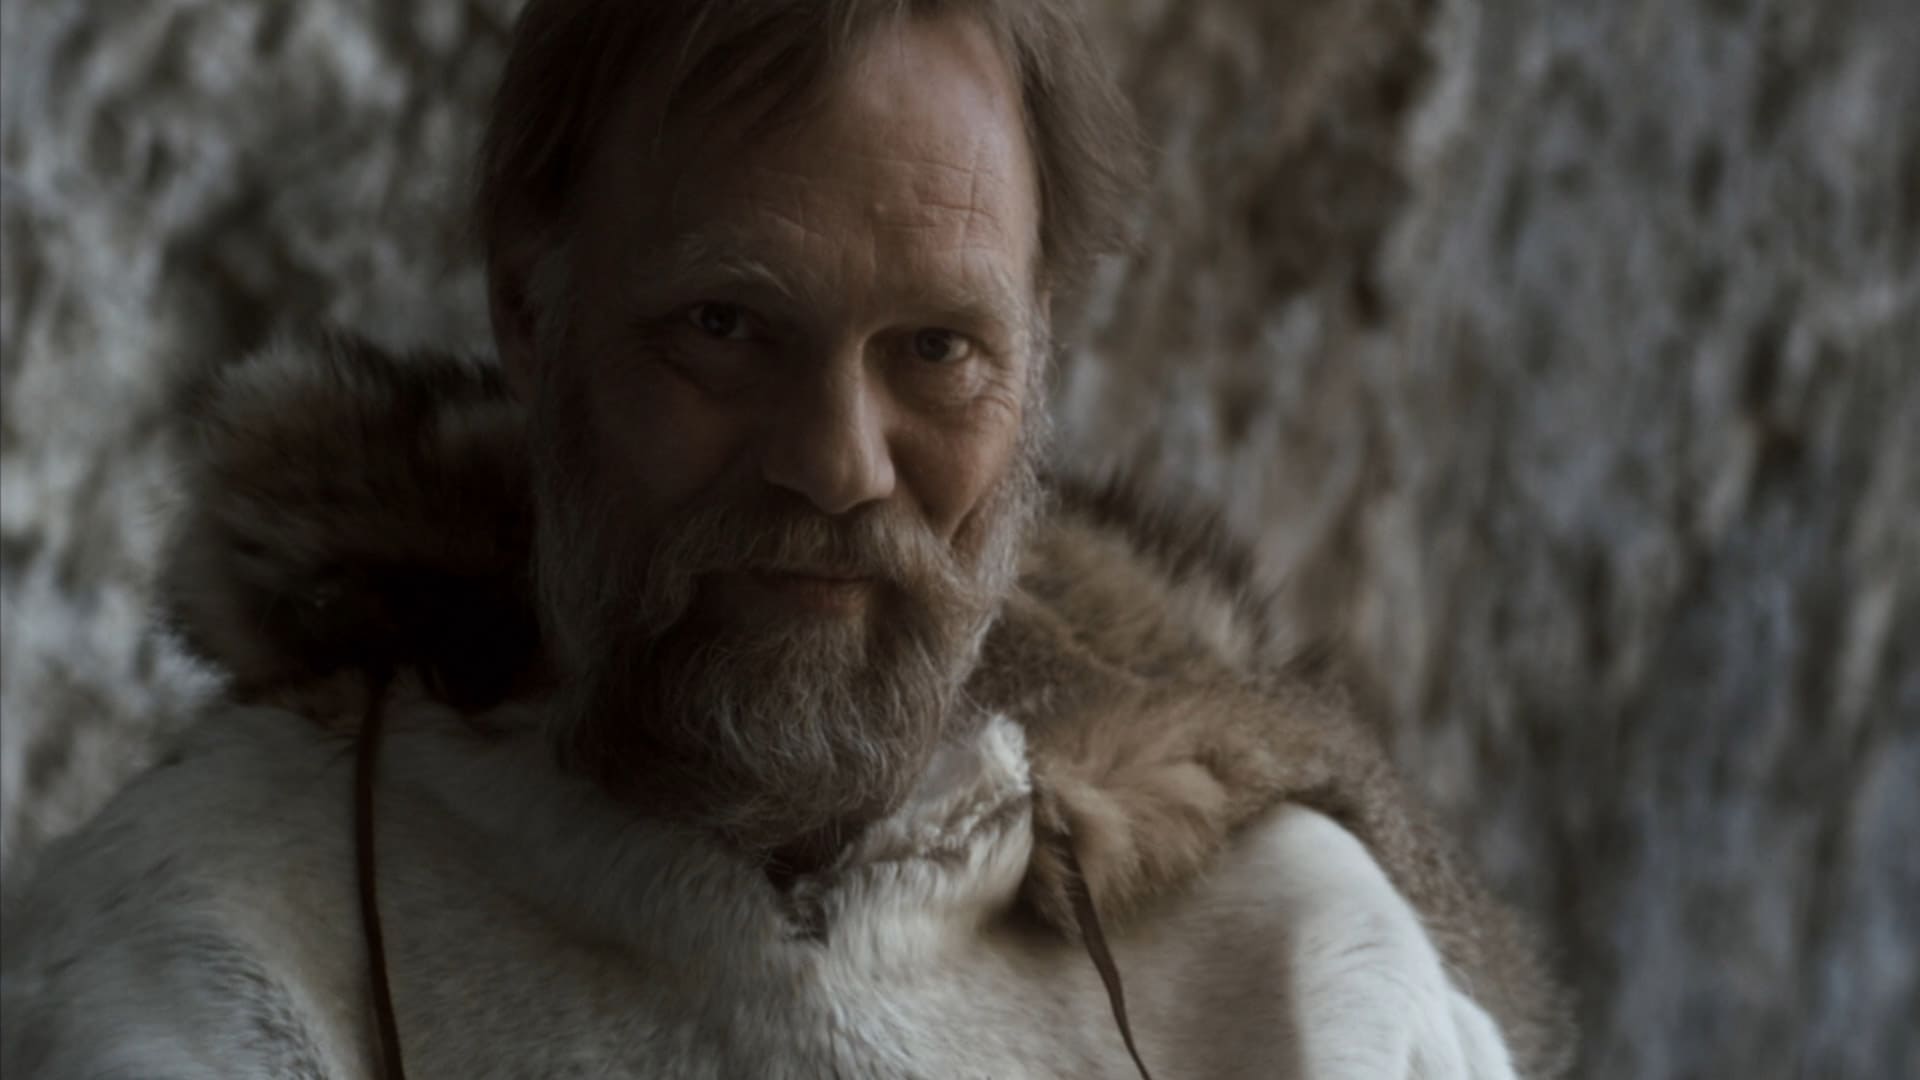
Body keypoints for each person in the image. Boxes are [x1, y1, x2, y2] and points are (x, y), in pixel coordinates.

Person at [1, 2, 1572, 1076]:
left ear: (1039, 357)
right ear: (533, 315)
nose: (836, 463)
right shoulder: (218, 951)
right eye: (726, 326)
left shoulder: (1298, 980)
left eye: (937, 350)